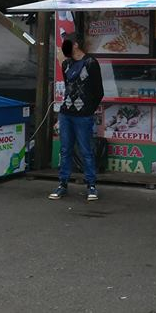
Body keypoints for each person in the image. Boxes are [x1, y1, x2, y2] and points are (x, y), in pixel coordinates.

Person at [49, 32, 103, 202]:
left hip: (83, 115)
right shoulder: (66, 64)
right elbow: (68, 85)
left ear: (76, 45)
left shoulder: (91, 63)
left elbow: (99, 91)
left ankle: (91, 185)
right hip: (66, 113)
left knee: (86, 150)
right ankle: (62, 184)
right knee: (65, 149)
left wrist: (89, 110)